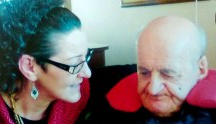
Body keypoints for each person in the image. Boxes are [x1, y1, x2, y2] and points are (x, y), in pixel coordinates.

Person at [76, 15, 216, 123]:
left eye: (168, 74)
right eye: (144, 73)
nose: (153, 90)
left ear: (201, 69)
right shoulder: (107, 111)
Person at [0, 0, 92, 123]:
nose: (87, 73)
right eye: (75, 62)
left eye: (86, 55)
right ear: (29, 67)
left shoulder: (78, 93)